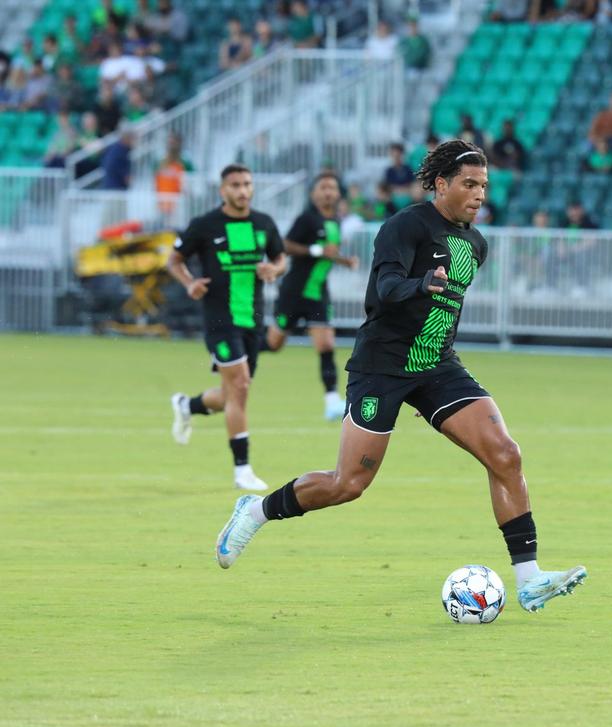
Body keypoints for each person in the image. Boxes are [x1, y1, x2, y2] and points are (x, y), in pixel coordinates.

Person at [211, 141, 588, 613]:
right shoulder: (406, 225)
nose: (478, 194)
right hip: (382, 367)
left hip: (437, 365)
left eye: (484, 186)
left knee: (506, 455)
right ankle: (257, 510)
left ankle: (529, 579)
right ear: (441, 184)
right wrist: (419, 284)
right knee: (348, 484)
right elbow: (383, 289)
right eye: (469, 184)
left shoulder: (475, 242)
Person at [168, 164, 287, 490]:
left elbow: (281, 258)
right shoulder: (205, 225)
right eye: (235, 185)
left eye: (247, 184)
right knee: (241, 387)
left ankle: (186, 405)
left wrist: (273, 270)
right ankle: (242, 469)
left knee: (232, 394)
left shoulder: (263, 224)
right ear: (223, 190)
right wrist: (189, 283)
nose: (242, 190)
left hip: (252, 321)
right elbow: (173, 260)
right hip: (220, 322)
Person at [263, 172, 358, 420]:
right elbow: (286, 245)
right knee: (274, 344)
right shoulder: (306, 219)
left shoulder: (336, 221)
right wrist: (316, 249)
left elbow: (328, 253)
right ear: (313, 194)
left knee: (326, 344)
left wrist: (344, 261)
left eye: (332, 187)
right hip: (294, 292)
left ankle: (331, 402)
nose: (328, 192)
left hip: (318, 292)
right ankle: (238, 351)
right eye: (323, 187)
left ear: (338, 194)